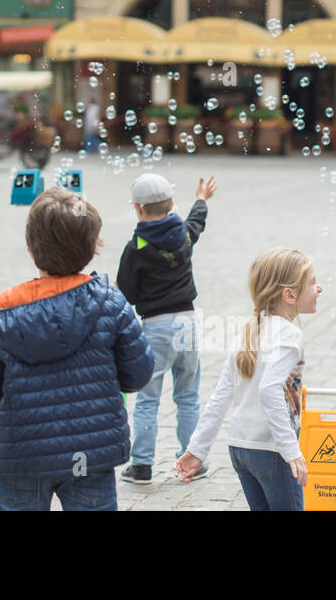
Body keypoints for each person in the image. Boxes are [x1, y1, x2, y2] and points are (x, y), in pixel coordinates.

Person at [0, 188, 154, 511]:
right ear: (92, 249)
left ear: (30, 248)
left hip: (22, 456)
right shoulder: (110, 302)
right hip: (90, 454)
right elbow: (138, 373)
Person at [175, 247, 322, 511]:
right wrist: (291, 451)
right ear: (289, 295)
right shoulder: (288, 335)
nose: (319, 288)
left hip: (241, 449)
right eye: (312, 283)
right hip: (272, 452)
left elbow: (220, 397)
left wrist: (198, 448)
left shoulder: (248, 331)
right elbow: (269, 390)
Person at [117, 172, 216, 484]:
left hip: (156, 327)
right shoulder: (183, 235)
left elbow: (128, 295)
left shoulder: (136, 246)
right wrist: (201, 199)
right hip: (187, 322)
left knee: (148, 398)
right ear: (172, 203)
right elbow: (196, 221)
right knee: (187, 395)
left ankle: (142, 465)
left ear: (137, 208)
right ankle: (192, 460)